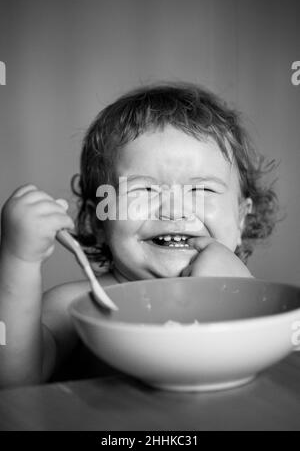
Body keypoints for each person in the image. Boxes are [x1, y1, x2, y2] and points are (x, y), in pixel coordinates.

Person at [0, 82, 279, 388]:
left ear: (241, 218)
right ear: (98, 220)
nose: (174, 211)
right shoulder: (76, 306)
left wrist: (230, 293)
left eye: (201, 190)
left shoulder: (259, 299)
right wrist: (19, 259)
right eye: (144, 190)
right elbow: (14, 380)